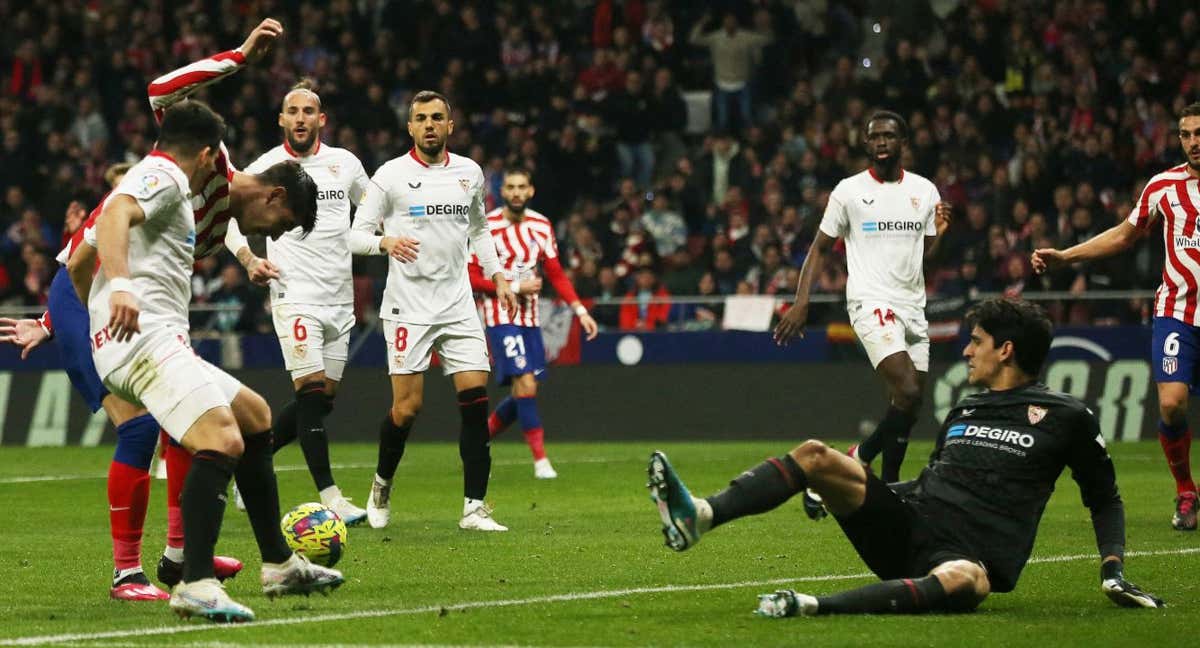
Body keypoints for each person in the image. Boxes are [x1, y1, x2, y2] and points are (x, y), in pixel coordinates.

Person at [649, 297, 1164, 616]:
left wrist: (1112, 569)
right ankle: (702, 515)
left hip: (962, 559)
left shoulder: (1066, 415)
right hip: (906, 527)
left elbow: (1105, 498)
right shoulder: (966, 407)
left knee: (969, 580)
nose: (966, 351)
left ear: (1005, 350)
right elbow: (931, 483)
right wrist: (856, 491)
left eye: (977, 342)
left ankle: (810, 606)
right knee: (816, 455)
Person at [76, 100, 340, 623]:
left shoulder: (183, 191)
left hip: (144, 336)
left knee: (255, 415)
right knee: (221, 439)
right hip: (143, 337)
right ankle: (194, 581)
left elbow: (82, 255)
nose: (276, 234)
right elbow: (112, 215)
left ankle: (280, 564)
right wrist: (121, 291)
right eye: (282, 222)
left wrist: (96, 314)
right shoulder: (166, 175)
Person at [0, 166, 243, 602]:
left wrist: (45, 321)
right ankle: (126, 573)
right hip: (80, 301)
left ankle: (179, 556)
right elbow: (80, 265)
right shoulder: (159, 187)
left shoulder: (178, 196)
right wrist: (55, 318)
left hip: (90, 297)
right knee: (140, 426)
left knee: (181, 415)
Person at [236, 79, 420, 523]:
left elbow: (373, 212)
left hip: (340, 300)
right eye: (292, 111)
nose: (300, 118)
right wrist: (248, 258)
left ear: (322, 119)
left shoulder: (346, 164)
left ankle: (244, 462)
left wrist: (397, 232)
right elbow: (227, 218)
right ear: (281, 119)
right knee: (312, 391)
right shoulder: (266, 168)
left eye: (308, 111)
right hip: (293, 294)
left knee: (321, 401)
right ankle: (332, 496)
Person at [350, 90, 517, 531]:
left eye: (436, 117)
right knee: (407, 409)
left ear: (450, 126)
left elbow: (479, 228)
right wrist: (384, 242)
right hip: (408, 307)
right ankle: (382, 484)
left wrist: (497, 274)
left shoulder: (470, 173)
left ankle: (474, 507)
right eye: (420, 118)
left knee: (475, 402)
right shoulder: (390, 175)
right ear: (410, 128)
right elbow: (355, 236)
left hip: (458, 304)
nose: (429, 124)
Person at [1031, 101, 1200, 531]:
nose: (1194, 142)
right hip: (1177, 312)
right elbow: (1125, 235)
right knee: (1171, 403)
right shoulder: (1164, 186)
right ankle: (1185, 492)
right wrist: (1066, 257)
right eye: (1186, 134)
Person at [775, 111, 951, 486]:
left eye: (889, 136)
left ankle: (888, 485)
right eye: (874, 137)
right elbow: (819, 248)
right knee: (905, 388)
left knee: (910, 402)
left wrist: (941, 235)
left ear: (903, 142)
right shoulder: (849, 191)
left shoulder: (925, 191)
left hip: (912, 304)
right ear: (866, 144)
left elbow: (923, 255)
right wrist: (802, 301)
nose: (881, 142)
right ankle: (861, 455)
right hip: (871, 302)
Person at [467, 168, 599, 479]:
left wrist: (580, 310)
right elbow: (471, 275)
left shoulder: (541, 225)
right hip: (501, 316)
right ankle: (541, 461)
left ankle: (478, 439)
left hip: (531, 318)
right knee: (524, 383)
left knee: (527, 389)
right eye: (510, 186)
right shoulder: (488, 226)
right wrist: (513, 287)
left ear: (530, 191)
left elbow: (555, 272)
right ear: (503, 192)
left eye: (521, 187)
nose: (515, 192)